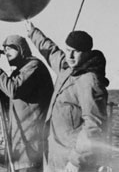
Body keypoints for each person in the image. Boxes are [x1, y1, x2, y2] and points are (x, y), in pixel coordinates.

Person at [25, 21, 109, 172]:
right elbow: (51, 51)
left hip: (71, 161)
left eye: (75, 51)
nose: (69, 55)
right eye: (67, 50)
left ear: (87, 53)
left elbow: (94, 125)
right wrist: (33, 32)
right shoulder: (67, 68)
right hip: (55, 155)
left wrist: (76, 161)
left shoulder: (90, 81)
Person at [0, 35, 54, 172]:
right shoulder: (20, 71)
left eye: (10, 48)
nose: (6, 52)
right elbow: (6, 96)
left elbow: (14, 90)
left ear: (21, 49)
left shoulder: (34, 66)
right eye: (5, 50)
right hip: (19, 139)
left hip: (31, 140)